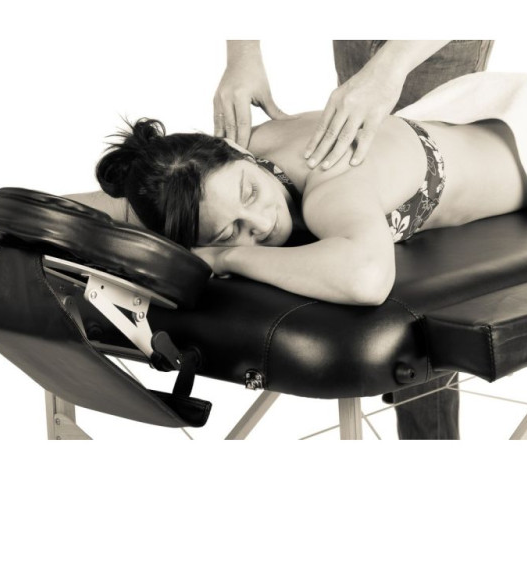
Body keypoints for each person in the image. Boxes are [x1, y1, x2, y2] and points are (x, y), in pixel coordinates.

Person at [211, 39, 494, 440]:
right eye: (228, 233)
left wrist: (227, 257)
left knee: (377, 184)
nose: (256, 225)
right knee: (373, 179)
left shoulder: (329, 186)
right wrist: (243, 54)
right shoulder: (246, 159)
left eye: (251, 196)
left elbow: (365, 276)